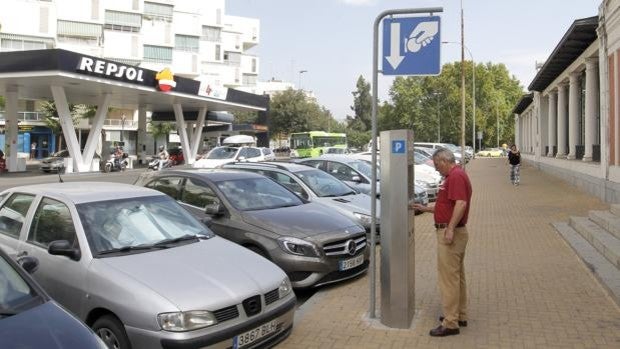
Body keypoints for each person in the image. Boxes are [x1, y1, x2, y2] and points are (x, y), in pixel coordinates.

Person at [412, 148, 472, 337]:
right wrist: (425, 208)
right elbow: (447, 206)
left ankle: (451, 323)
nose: (437, 169)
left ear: (444, 160)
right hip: (453, 231)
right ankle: (458, 315)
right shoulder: (454, 176)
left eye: (437, 165)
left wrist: (450, 229)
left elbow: (461, 203)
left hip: (450, 234)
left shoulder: (455, 176)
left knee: (448, 279)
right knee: (456, 277)